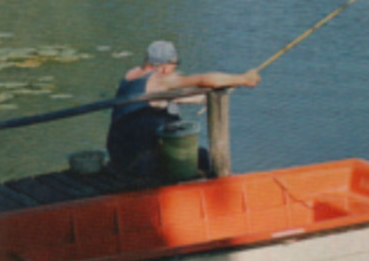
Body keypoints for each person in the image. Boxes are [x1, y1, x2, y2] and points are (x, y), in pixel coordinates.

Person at [106, 41, 260, 178]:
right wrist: (244, 79)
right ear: (165, 66)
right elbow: (206, 79)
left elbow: (165, 97)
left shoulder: (131, 75)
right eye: (175, 65)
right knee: (202, 156)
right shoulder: (160, 78)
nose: (175, 70)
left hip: (119, 156)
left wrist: (205, 99)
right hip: (140, 161)